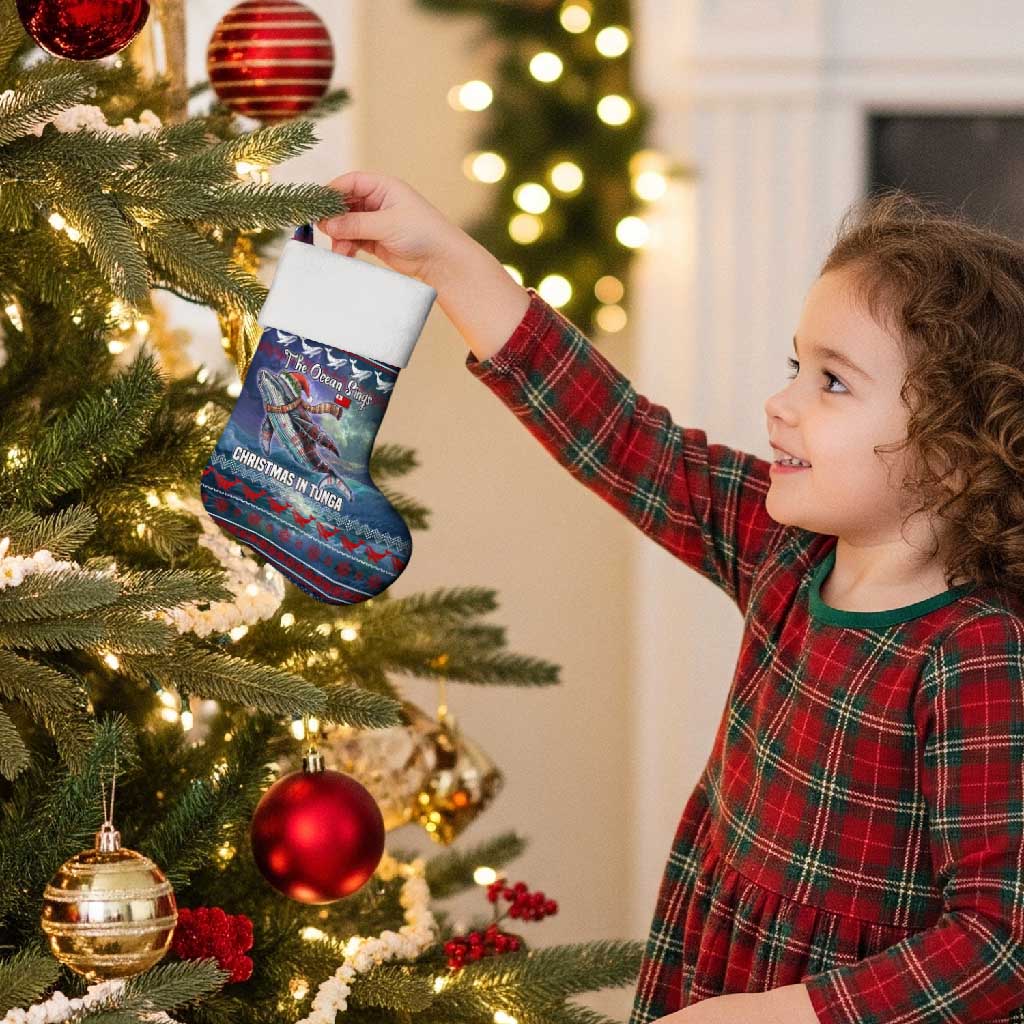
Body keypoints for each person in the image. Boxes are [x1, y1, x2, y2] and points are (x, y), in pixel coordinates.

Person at [317, 174, 1024, 1024]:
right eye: (797, 367)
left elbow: (998, 941)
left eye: (832, 383)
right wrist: (450, 261)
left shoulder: (978, 652)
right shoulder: (786, 552)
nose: (782, 403)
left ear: (957, 454)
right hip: (714, 964)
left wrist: (779, 1016)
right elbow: (622, 436)